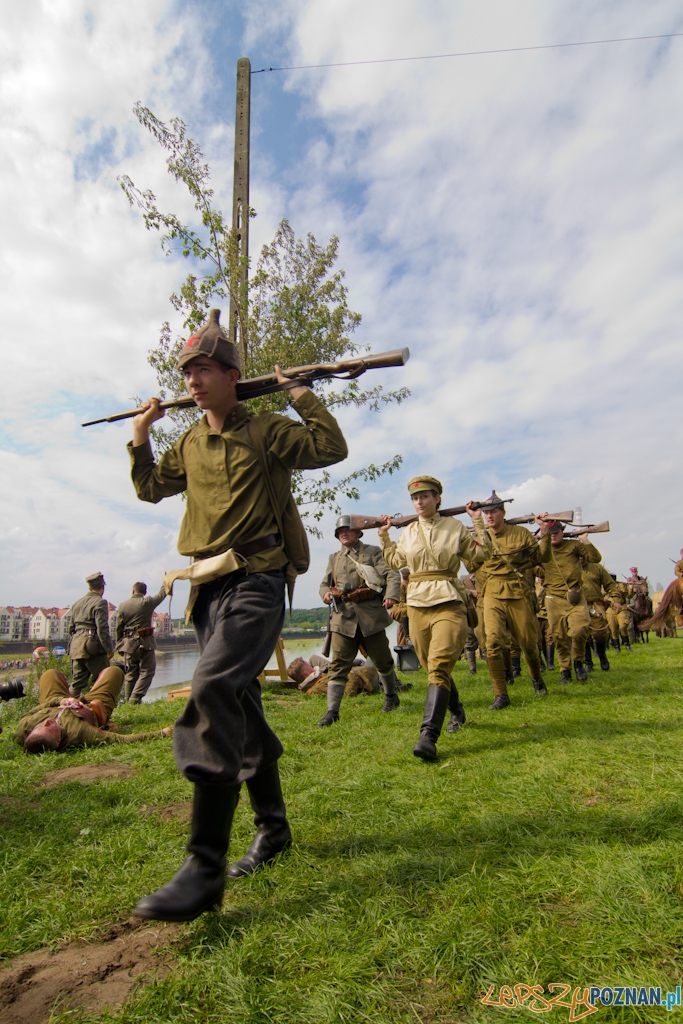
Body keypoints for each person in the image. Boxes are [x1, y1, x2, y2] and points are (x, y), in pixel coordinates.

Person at [127, 308, 347, 922]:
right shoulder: (189, 441)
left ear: (231, 375)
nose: (192, 381)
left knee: (213, 685)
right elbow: (149, 487)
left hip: (257, 580)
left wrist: (299, 391)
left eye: (202, 370)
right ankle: (273, 830)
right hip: (207, 591)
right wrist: (142, 434)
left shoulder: (268, 430)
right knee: (243, 706)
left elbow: (330, 447)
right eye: (186, 372)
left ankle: (203, 867)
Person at [378, 476, 491, 761]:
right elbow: (394, 562)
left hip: (450, 600)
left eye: (426, 496)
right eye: (415, 498)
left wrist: (477, 521)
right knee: (433, 668)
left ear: (437, 498)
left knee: (439, 665)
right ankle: (457, 710)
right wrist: (384, 536)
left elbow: (482, 553)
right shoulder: (409, 532)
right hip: (416, 602)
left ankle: (428, 736)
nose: (420, 501)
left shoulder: (454, 527)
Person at [318, 515, 402, 724]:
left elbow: (391, 574)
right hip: (343, 618)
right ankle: (332, 712)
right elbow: (324, 584)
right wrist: (326, 594)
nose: (343, 534)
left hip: (370, 616)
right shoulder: (334, 558)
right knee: (338, 665)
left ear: (357, 533)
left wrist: (391, 595)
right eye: (340, 532)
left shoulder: (372, 551)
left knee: (383, 660)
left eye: (348, 530)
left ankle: (391, 696)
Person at [480, 495, 546, 708]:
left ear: (503, 512)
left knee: (528, 643)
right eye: (486, 513)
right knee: (492, 642)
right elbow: (471, 565)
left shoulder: (521, 533)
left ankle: (536, 678)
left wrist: (544, 532)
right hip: (492, 592)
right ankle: (501, 694)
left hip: (518, 592)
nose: (489, 516)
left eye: (493, 512)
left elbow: (539, 559)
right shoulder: (481, 536)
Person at [15, 667, 172, 751]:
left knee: (49, 674)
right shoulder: (79, 732)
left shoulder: (24, 728)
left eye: (41, 726)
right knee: (114, 672)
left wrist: (60, 700)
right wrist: (160, 733)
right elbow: (118, 739)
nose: (48, 722)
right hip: (90, 706)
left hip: (56, 702)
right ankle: (104, 715)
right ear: (58, 742)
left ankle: (65, 694)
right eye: (50, 728)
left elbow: (34, 710)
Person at [536, 518, 601, 683]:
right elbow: (531, 565)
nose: (553, 536)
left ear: (562, 531)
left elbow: (595, 558)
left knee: (580, 629)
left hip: (575, 595)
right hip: (553, 598)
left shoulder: (574, 545)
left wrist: (585, 540)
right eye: (550, 533)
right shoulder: (543, 549)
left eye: (556, 532)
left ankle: (578, 662)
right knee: (559, 636)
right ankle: (565, 669)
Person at [116, 581, 169, 703]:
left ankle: (128, 700)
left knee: (131, 673)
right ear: (144, 592)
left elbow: (119, 628)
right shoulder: (147, 602)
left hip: (129, 644)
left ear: (133, 591)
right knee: (148, 671)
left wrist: (119, 645)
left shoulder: (122, 605)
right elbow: (161, 595)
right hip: (145, 643)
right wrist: (165, 581)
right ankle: (135, 698)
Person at [68, 572, 114, 697]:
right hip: (92, 646)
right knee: (103, 679)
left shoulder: (76, 603)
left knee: (77, 682)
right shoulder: (100, 602)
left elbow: (71, 629)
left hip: (76, 646)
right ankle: (100, 709)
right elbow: (102, 628)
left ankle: (67, 708)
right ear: (102, 587)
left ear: (89, 587)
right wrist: (109, 649)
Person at [579, 544, 619, 671]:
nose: (581, 558)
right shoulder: (570, 568)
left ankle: (602, 656)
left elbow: (610, 585)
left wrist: (616, 600)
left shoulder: (597, 567)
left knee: (600, 632)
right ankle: (588, 663)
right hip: (578, 606)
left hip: (596, 605)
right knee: (581, 634)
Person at [287, 656, 380, 696]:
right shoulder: (319, 688)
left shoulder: (314, 678)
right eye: (307, 665)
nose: (310, 664)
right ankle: (391, 685)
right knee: (379, 654)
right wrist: (350, 674)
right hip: (366, 680)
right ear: (306, 673)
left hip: (360, 674)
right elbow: (346, 695)